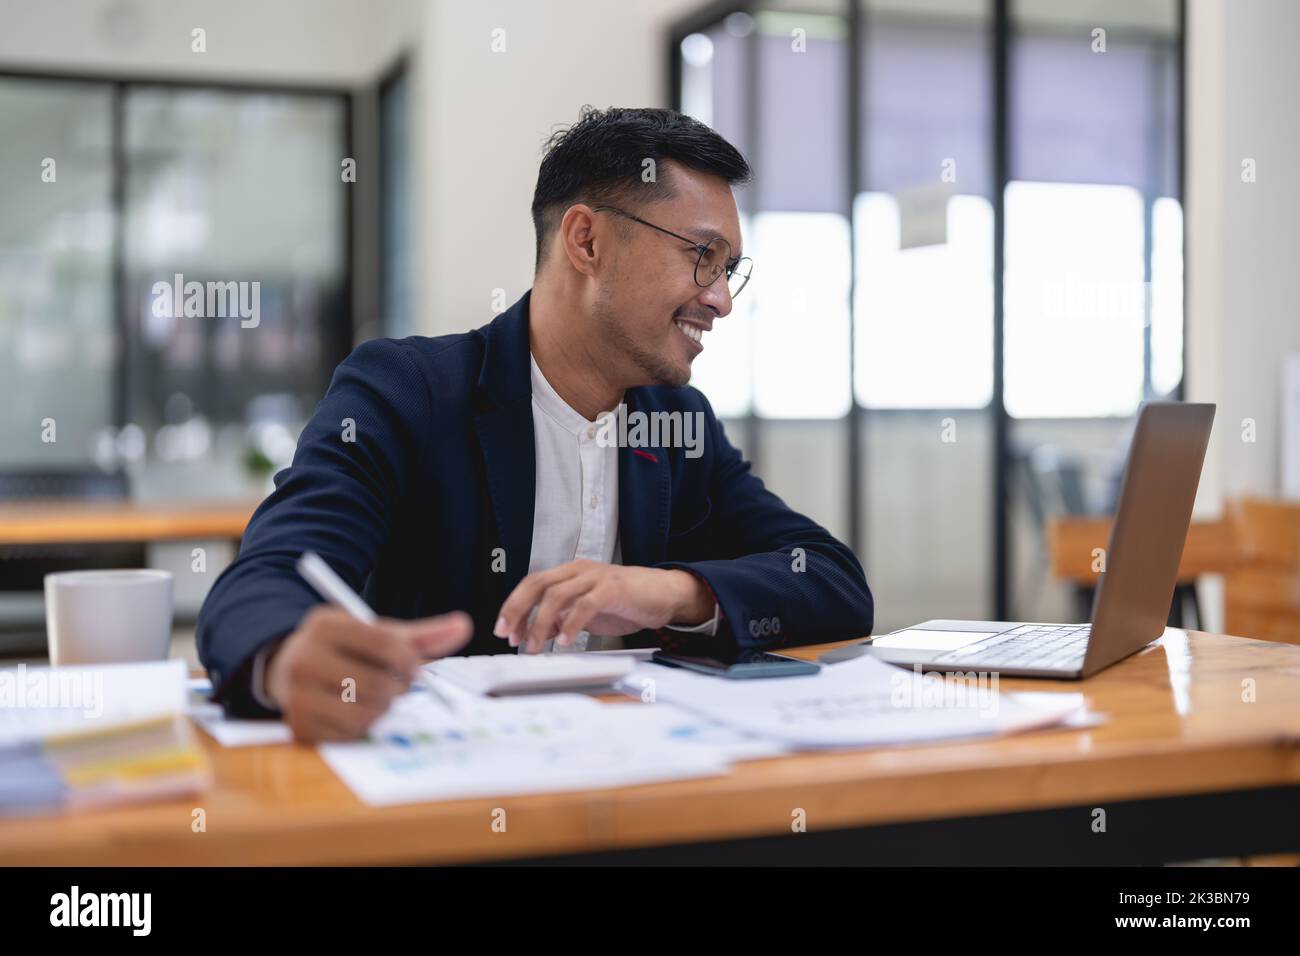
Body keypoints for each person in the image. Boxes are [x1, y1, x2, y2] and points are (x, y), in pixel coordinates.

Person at [197, 106, 874, 740]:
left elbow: (831, 581)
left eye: (729, 270)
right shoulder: (408, 392)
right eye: (702, 257)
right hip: (443, 791)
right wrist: (286, 658)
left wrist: (669, 592)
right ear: (586, 241)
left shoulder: (674, 424)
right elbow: (266, 578)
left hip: (642, 780)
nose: (721, 300)